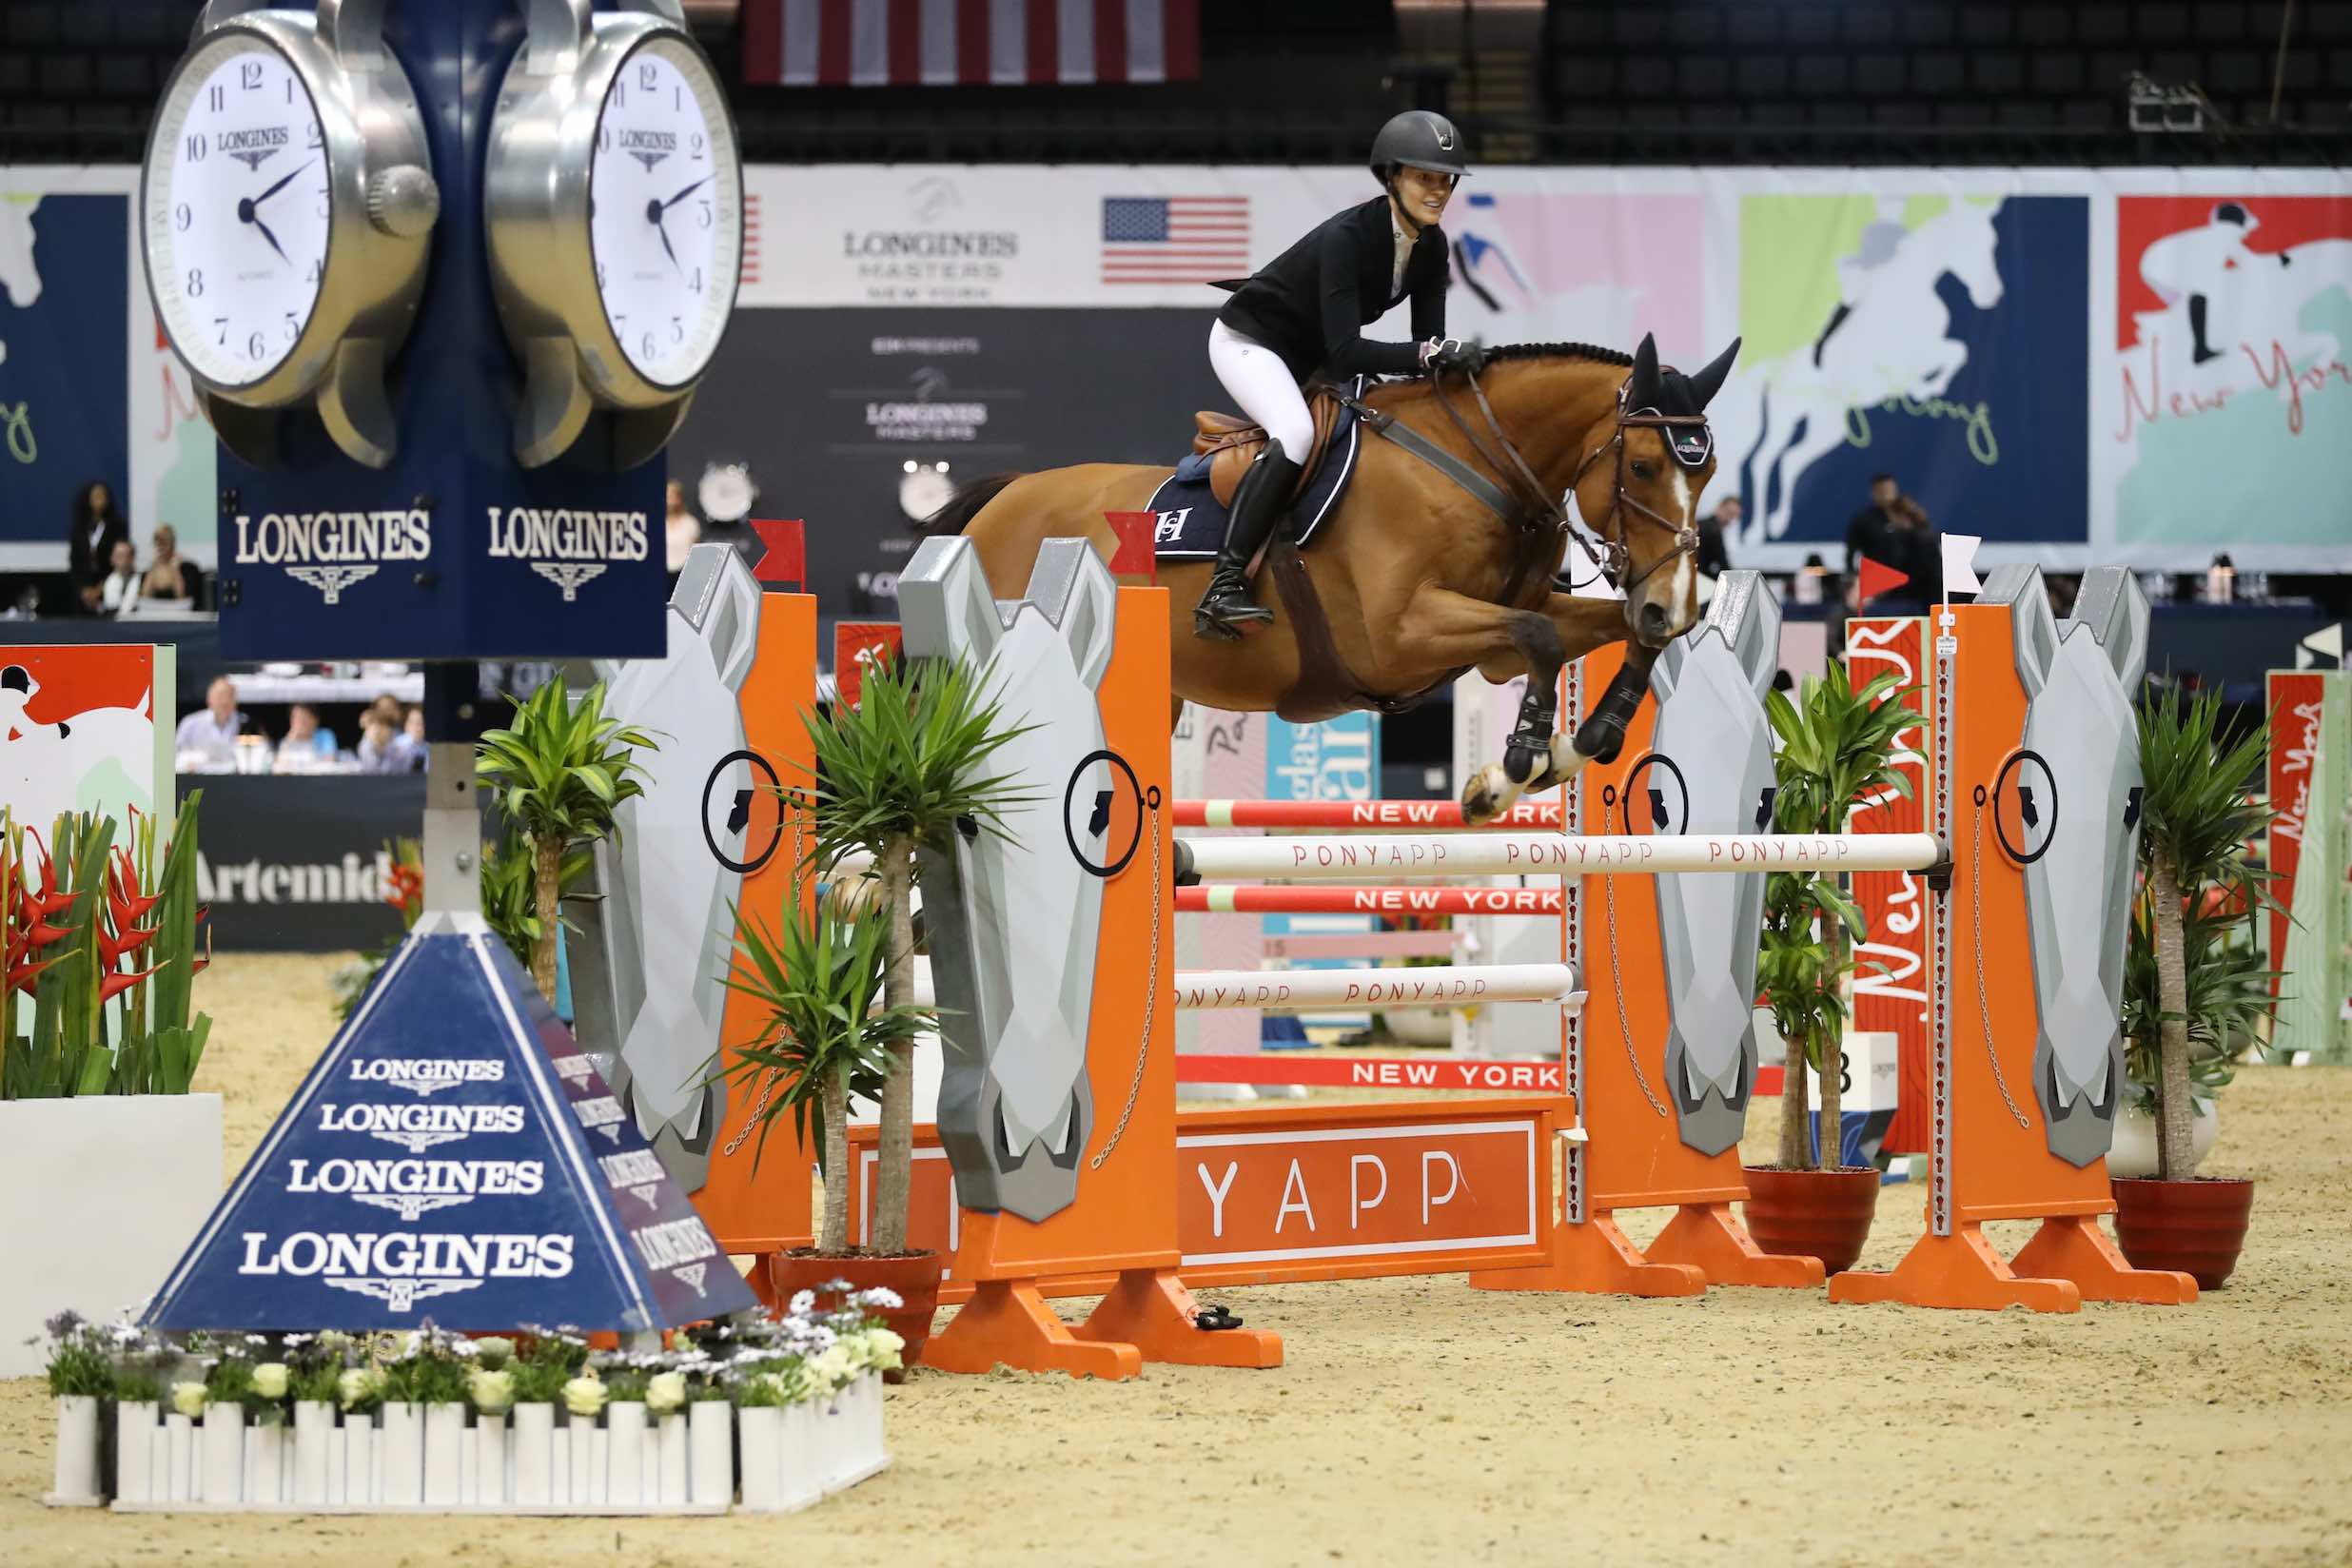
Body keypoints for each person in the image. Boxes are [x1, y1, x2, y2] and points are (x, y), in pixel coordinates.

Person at [1193, 109, 1472, 638]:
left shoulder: (1432, 247)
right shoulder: (1350, 237)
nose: (1438, 191)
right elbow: (1348, 355)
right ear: (1392, 178)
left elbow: (1425, 346)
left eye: (1445, 180)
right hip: (1249, 342)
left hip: (1306, 352)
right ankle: (1223, 587)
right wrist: (1426, 356)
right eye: (1424, 178)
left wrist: (1448, 365)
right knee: (1295, 433)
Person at [1844, 472, 1940, 615]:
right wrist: (1855, 578)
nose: (1887, 496)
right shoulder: (1864, 520)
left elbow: (1930, 557)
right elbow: (1851, 553)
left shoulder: (1914, 521)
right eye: (1882, 492)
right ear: (1874, 493)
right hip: (1881, 581)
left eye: (1890, 491)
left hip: (1917, 584)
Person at [66, 480, 129, 615]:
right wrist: (83, 591)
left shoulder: (117, 527)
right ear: (88, 500)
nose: (99, 500)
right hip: (83, 593)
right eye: (96, 496)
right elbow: (75, 562)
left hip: (108, 586)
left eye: (103, 496)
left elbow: (119, 560)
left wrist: (99, 590)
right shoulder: (80, 529)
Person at [174, 676, 245, 768]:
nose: (225, 701)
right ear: (209, 699)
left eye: (230, 696)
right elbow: (175, 756)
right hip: (198, 779)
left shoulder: (247, 723)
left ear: (236, 701)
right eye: (220, 696)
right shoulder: (190, 723)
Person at [139, 525, 203, 603]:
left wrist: (175, 571)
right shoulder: (148, 572)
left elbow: (182, 599)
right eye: (157, 541)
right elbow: (145, 598)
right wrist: (153, 568)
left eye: (164, 542)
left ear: (173, 543)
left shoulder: (188, 569)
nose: (160, 546)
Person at [272, 702, 338, 770]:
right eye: (296, 718)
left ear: (315, 720)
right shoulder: (287, 740)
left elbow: (330, 762)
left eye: (304, 718)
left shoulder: (324, 736)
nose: (300, 724)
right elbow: (278, 766)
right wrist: (291, 737)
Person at [1696, 495, 1739, 580]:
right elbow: (1723, 563)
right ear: (1719, 507)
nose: (1729, 519)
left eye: (1734, 516)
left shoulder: (1701, 524)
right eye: (1729, 513)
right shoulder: (1713, 530)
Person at [664, 480, 701, 576]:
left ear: (680, 498)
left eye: (673, 496)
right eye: (667, 496)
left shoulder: (691, 523)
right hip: (662, 574)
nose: (669, 500)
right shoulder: (658, 524)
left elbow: (696, 554)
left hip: (685, 573)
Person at [99, 539, 142, 615]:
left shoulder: (142, 580)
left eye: (122, 555)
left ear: (132, 558)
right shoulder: (107, 581)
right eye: (116, 555)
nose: (117, 559)